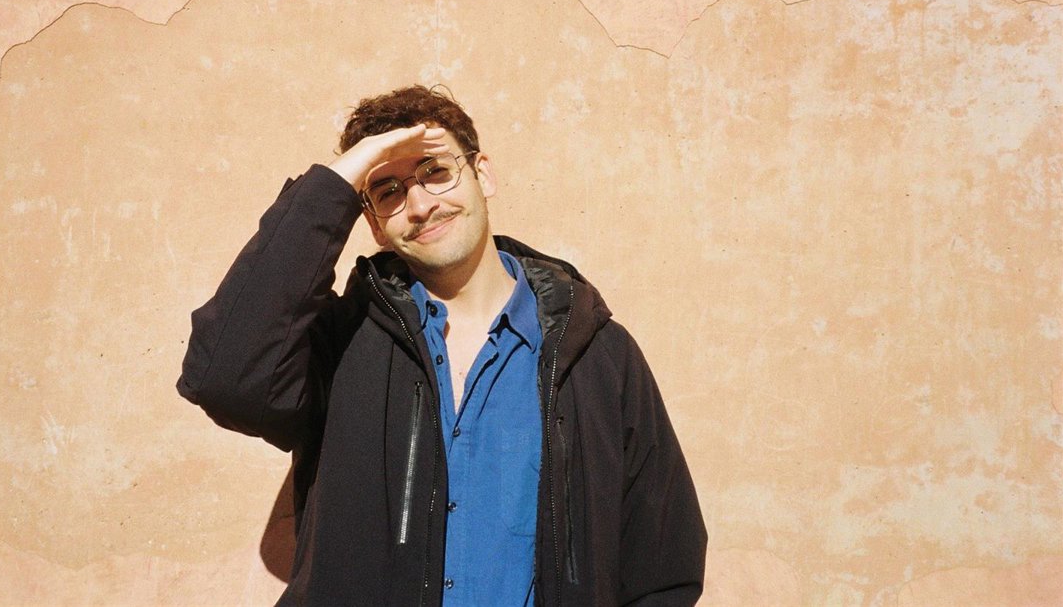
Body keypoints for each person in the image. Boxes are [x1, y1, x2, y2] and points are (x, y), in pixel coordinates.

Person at [178, 85, 706, 606]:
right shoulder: (340, 342)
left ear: (483, 175)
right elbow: (226, 376)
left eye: (435, 172)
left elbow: (663, 566)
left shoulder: (599, 354)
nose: (420, 205)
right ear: (373, 223)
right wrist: (337, 183)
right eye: (388, 190)